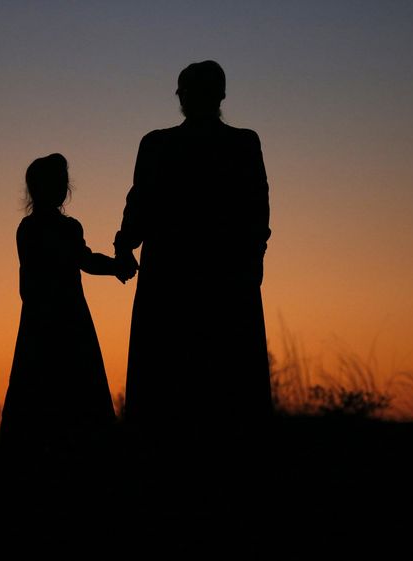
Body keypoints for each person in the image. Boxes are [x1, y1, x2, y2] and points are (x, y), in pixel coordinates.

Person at [115, 60, 272, 426]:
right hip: (219, 278)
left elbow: (139, 205)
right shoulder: (240, 144)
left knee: (173, 386)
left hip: (184, 279)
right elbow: (257, 211)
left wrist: (125, 247)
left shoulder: (160, 145)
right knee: (224, 386)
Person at [0, 153, 131, 449]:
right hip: (67, 319)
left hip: (39, 319)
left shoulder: (29, 229)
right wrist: (116, 266)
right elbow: (84, 260)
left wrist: (113, 267)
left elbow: (79, 261)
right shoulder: (61, 229)